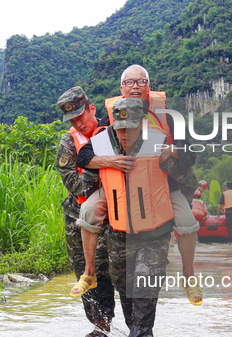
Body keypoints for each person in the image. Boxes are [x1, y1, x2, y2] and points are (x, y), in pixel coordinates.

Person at [76, 64, 203, 306]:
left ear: (148, 87)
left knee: (187, 220)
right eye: (130, 82)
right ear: (122, 88)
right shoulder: (110, 118)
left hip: (159, 184)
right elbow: (84, 156)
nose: (135, 86)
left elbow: (191, 153)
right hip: (119, 185)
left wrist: (174, 150)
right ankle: (89, 273)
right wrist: (110, 160)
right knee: (88, 211)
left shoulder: (166, 117)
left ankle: (189, 277)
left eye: (141, 82)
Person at [78, 98, 179, 337]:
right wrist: (109, 161)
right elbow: (83, 157)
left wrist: (176, 156)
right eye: (120, 128)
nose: (124, 134)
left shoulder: (157, 140)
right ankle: (141, 333)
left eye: (130, 128)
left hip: (154, 230)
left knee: (146, 282)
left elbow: (182, 166)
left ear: (141, 124)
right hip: (119, 230)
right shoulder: (102, 140)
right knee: (123, 285)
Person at [55, 86, 116, 337]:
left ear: (92, 109)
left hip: (113, 215)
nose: (78, 123)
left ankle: (109, 326)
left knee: (107, 268)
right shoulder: (68, 143)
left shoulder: (112, 132)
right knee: (83, 271)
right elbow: (73, 181)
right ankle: (99, 327)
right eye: (73, 120)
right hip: (77, 217)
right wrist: (100, 171)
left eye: (81, 116)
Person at [217, 181, 232, 246]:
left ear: (226, 187)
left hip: (229, 212)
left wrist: (218, 214)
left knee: (231, 229)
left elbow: (220, 205)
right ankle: (230, 242)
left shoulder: (224, 193)